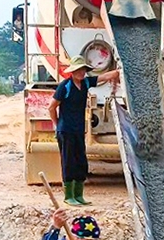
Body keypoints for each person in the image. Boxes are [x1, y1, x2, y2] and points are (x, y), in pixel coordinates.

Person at [48, 55, 120, 206]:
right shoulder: (65, 86)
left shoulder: (86, 83)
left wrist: (118, 72)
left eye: (83, 70)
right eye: (79, 70)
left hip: (79, 130)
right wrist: (57, 124)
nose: (81, 73)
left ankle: (79, 194)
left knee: (81, 161)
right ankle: (69, 196)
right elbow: (52, 107)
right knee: (69, 162)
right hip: (66, 130)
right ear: (72, 71)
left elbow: (103, 77)